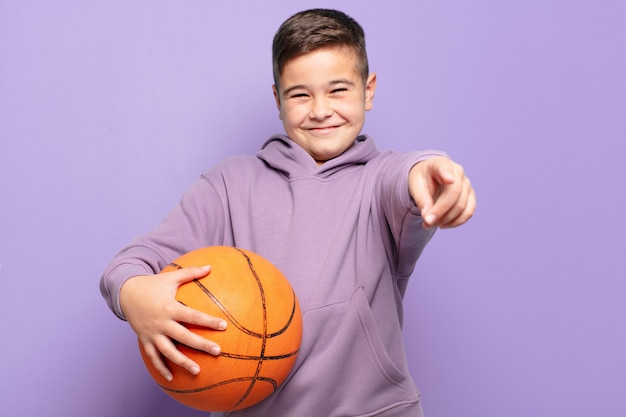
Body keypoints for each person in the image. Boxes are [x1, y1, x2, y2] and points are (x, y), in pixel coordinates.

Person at [100, 8, 476, 417]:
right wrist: (134, 293)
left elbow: (408, 175)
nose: (319, 110)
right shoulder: (230, 184)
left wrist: (432, 171)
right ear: (278, 99)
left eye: (338, 90)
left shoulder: (381, 181)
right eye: (300, 94)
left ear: (368, 90)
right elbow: (132, 263)